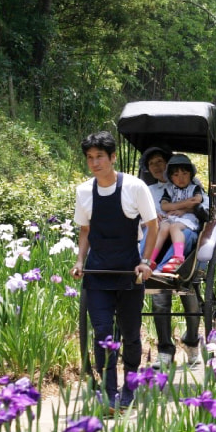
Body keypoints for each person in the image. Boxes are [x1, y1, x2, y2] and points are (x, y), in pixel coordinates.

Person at [71, 131, 157, 413]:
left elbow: (152, 225)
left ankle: (129, 387)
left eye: (99, 157)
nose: (94, 163)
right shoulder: (84, 191)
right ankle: (110, 394)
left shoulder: (134, 187)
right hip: (98, 271)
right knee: (103, 333)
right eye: (90, 158)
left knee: (131, 334)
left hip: (129, 270)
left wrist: (145, 260)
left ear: (113, 158)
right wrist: (80, 260)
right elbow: (85, 230)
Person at [139, 147, 202, 369]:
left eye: (161, 162)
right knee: (159, 295)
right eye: (152, 163)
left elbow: (201, 207)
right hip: (156, 234)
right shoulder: (146, 189)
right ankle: (165, 348)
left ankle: (193, 341)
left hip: (183, 233)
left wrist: (180, 210)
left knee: (189, 290)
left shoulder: (191, 185)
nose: (157, 167)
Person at [149, 154, 206, 273]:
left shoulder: (194, 188)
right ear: (171, 177)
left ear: (191, 174)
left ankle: (178, 257)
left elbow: (196, 200)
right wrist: (185, 203)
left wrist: (181, 209)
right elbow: (164, 206)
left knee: (174, 228)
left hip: (188, 218)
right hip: (173, 217)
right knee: (163, 227)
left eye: (185, 174)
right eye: (176, 175)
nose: (181, 178)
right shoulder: (169, 190)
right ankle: (150, 259)